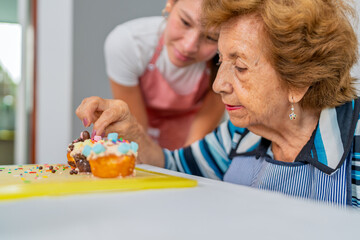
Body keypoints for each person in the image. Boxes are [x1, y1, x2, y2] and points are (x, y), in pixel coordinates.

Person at [76, 0, 360, 208]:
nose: (218, 85)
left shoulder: (354, 139)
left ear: (297, 82)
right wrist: (133, 134)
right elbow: (173, 167)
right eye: (220, 61)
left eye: (240, 66)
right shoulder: (239, 134)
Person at [101, 0, 225, 150]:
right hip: (140, 144)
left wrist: (180, 168)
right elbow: (135, 135)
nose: (189, 47)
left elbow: (193, 149)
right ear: (170, 4)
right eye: (185, 22)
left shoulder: (224, 62)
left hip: (190, 150)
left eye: (211, 38)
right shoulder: (129, 44)